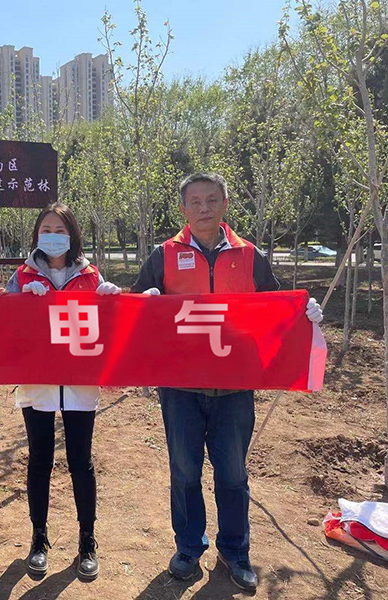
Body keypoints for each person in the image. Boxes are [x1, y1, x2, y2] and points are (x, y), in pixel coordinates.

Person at [132, 172, 323, 592]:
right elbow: (137, 307)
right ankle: (188, 547)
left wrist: (303, 313)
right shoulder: (164, 255)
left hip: (235, 387)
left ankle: (235, 551)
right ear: (183, 209)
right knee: (184, 471)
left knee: (233, 473)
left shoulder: (249, 255)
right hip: (180, 387)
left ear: (225, 204)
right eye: (195, 201)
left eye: (212, 200)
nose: (204, 208)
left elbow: (274, 308)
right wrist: (145, 301)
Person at [4, 202, 121, 581]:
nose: (52, 236)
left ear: (72, 235)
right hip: (37, 380)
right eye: (46, 230)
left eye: (59, 230)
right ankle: (39, 538)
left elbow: (107, 327)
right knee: (39, 460)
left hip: (78, 382)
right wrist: (20, 300)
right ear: (36, 235)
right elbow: (1, 320)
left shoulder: (89, 275)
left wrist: (111, 300)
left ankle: (87, 540)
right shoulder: (22, 275)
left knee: (80, 461)